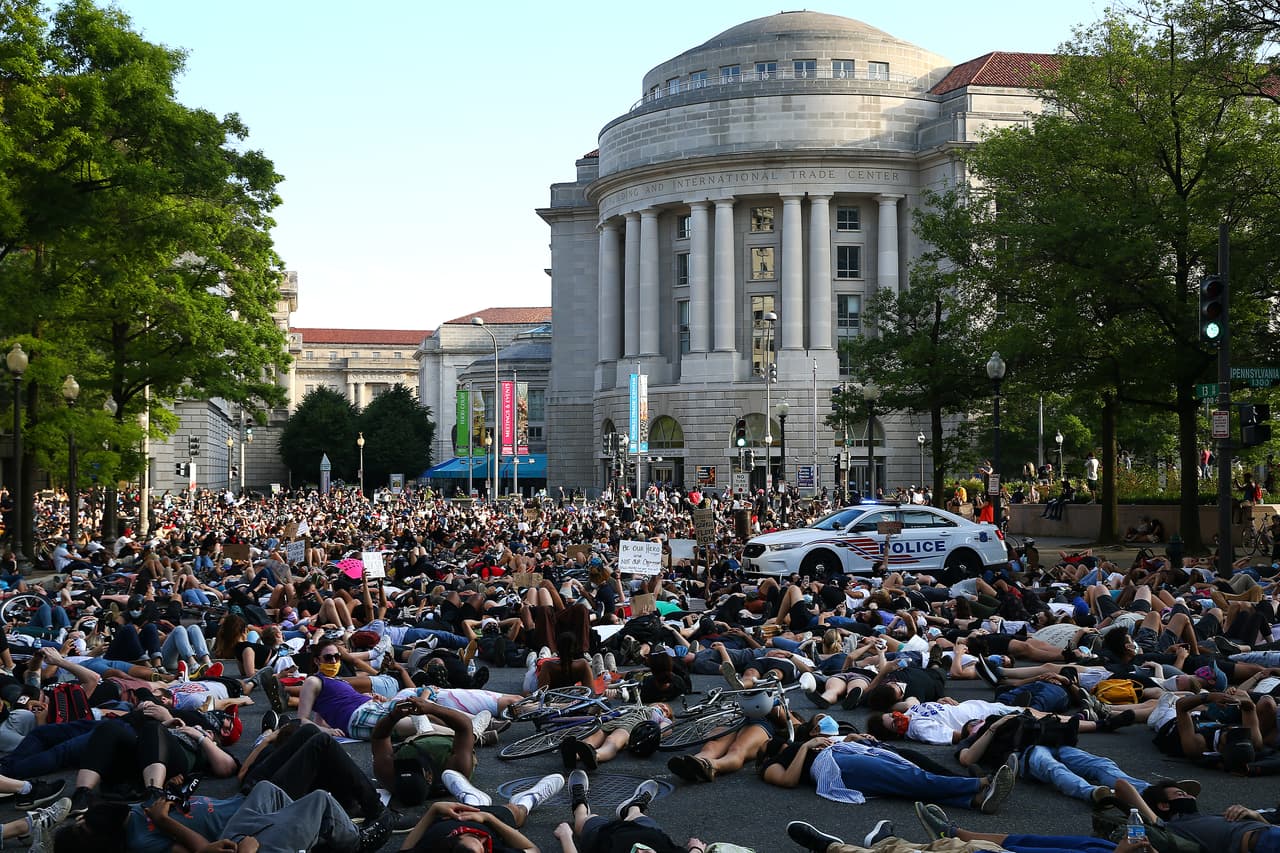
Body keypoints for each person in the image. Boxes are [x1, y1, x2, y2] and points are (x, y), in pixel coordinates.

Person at [399, 770, 564, 852]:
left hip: (452, 817)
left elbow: (404, 851)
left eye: (471, 837)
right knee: (515, 811)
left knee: (467, 805)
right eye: (483, 847)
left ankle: (472, 798)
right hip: (491, 823)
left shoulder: (433, 847)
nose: (483, 840)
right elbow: (533, 850)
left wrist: (434, 810)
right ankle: (529, 800)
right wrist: (488, 818)